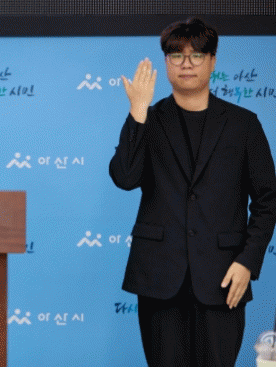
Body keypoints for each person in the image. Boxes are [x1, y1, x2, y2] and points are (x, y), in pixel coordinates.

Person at [109, 18, 276, 366]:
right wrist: (137, 110)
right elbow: (124, 177)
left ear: (212, 61)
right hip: (159, 277)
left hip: (223, 277)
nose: (187, 64)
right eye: (177, 55)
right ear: (166, 63)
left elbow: (267, 200)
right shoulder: (148, 120)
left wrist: (248, 261)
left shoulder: (244, 124)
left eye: (197, 55)